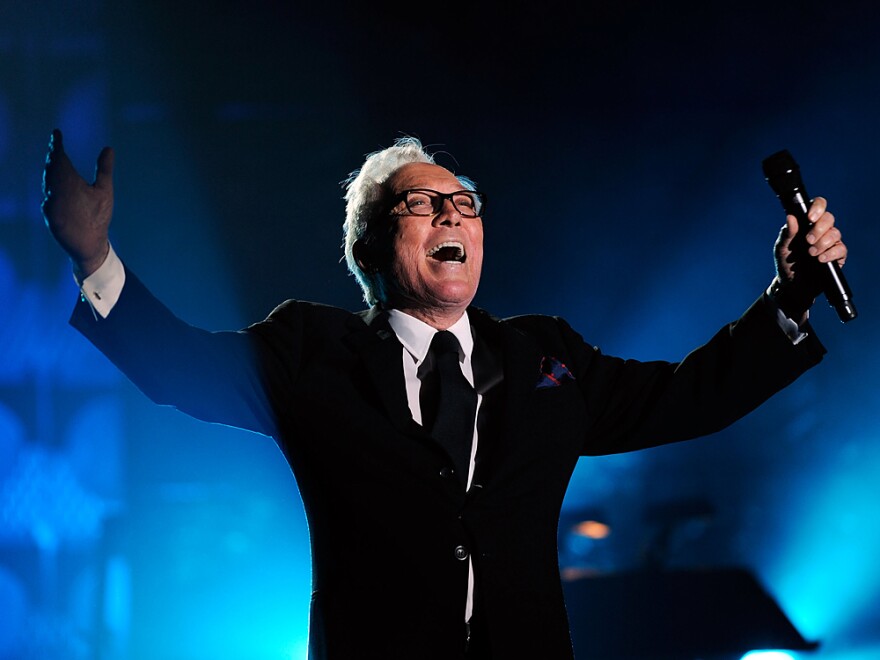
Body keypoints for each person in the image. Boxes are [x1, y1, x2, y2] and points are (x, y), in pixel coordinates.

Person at [42, 130, 847, 659]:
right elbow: (182, 367)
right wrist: (94, 257)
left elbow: (687, 395)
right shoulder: (312, 352)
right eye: (423, 205)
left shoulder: (545, 356)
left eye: (464, 204)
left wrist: (788, 299)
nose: (451, 214)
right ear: (371, 246)